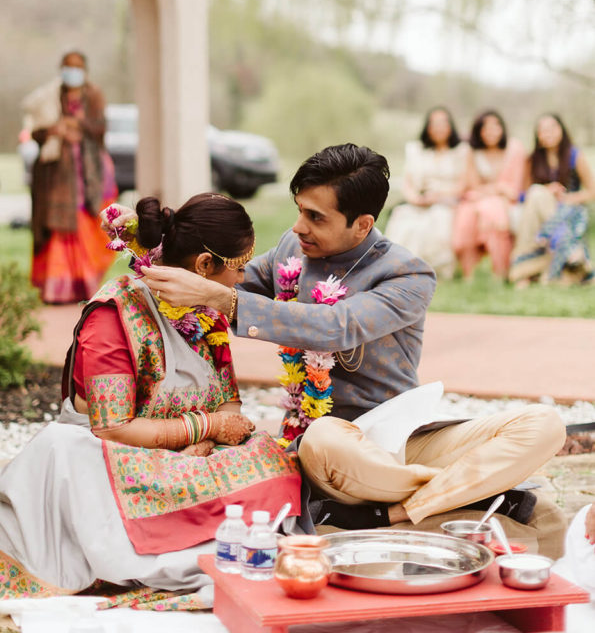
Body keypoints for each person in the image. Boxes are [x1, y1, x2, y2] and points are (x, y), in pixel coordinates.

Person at [143, 144, 565, 534]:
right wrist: (161, 249)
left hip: (403, 442)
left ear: (363, 224)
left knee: (544, 426)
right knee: (324, 436)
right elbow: (236, 284)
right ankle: (471, 491)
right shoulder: (293, 247)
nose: (298, 226)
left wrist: (223, 299)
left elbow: (335, 326)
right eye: (300, 210)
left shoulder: (407, 275)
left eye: (316, 217)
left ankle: (394, 513)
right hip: (332, 449)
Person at [0, 193, 301, 610]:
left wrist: (205, 443)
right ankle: (154, 551)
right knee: (66, 455)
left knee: (276, 465)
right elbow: (111, 427)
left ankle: (195, 535)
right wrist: (205, 430)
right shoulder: (114, 315)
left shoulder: (208, 312)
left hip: (193, 458)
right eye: (237, 267)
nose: (241, 280)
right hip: (114, 458)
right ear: (203, 266)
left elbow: (228, 403)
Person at [24, 51, 118, 304]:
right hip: (56, 178)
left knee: (91, 225)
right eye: (67, 67)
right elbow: (36, 132)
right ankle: (58, 290)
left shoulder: (93, 95)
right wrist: (57, 129)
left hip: (88, 174)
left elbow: (100, 128)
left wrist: (77, 125)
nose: (71, 72)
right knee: (57, 228)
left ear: (85, 71)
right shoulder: (51, 96)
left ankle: (87, 287)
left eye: (76, 67)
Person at [509, 113, 594, 288]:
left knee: (538, 197)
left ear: (561, 130)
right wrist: (547, 190)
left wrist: (570, 198)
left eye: (552, 128)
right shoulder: (533, 159)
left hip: (569, 211)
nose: (548, 133)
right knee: (537, 195)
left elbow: (592, 191)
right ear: (538, 135)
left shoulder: (574, 155)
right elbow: (523, 195)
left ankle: (530, 271)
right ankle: (567, 258)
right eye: (543, 130)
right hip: (539, 213)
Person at [384, 107, 471, 279]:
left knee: (438, 220)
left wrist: (438, 196)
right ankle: (400, 269)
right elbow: (407, 182)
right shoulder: (416, 150)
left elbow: (464, 185)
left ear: (450, 126)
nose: (438, 128)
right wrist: (415, 199)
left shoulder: (461, 151)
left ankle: (435, 270)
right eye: (434, 124)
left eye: (443, 123)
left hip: (447, 202)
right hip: (419, 201)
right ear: (427, 128)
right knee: (404, 218)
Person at [452, 110, 526, 279]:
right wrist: (496, 189)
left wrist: (494, 191)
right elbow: (473, 186)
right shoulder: (473, 152)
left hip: (506, 200)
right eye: (485, 128)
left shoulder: (514, 149)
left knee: (493, 216)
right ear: (479, 132)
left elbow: (513, 188)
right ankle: (468, 274)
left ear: (503, 129)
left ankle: (500, 271)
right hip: (479, 198)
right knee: (466, 216)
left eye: (495, 127)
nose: (491, 132)